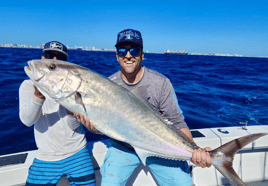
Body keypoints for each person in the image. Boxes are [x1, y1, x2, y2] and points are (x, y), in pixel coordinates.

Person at [76, 29, 212, 186]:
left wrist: (195, 150)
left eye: (134, 50)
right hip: (123, 147)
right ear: (117, 55)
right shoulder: (107, 85)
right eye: (122, 51)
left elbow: (177, 122)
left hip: (158, 148)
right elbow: (105, 126)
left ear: (142, 54)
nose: (128, 55)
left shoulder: (160, 83)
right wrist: (93, 128)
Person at [19, 41, 96, 186]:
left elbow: (73, 126)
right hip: (46, 156)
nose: (54, 60)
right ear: (42, 59)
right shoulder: (27, 86)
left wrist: (73, 114)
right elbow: (27, 121)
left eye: (59, 59)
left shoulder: (73, 86)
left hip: (77, 151)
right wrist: (39, 96)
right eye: (49, 56)